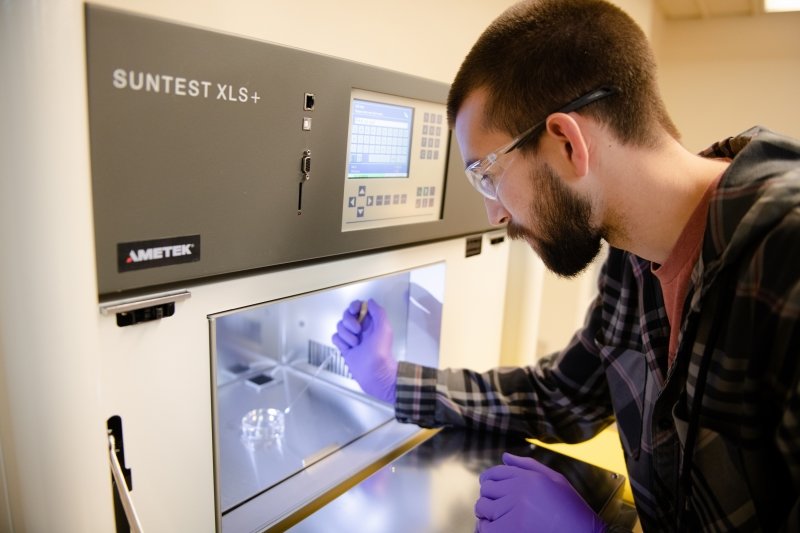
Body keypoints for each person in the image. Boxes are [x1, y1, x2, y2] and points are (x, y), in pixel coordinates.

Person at [333, 0, 800, 530]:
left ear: (566, 142)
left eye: (487, 175)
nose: (494, 214)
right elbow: (561, 396)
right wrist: (390, 379)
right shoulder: (635, 262)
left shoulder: (784, 261)